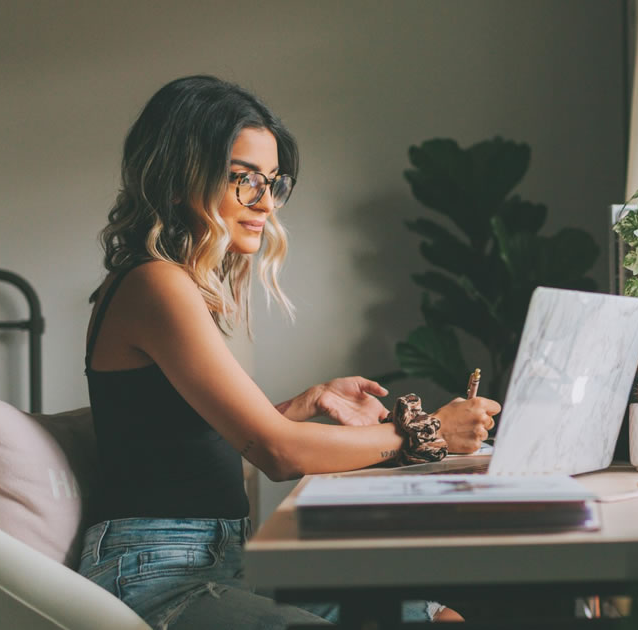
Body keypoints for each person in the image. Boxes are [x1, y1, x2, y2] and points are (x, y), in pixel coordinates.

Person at [77, 75, 500, 629]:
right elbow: (276, 455)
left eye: (272, 181)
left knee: (438, 619)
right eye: (244, 180)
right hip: (153, 573)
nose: (265, 202)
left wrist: (304, 404)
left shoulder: (171, 283)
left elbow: (189, 439)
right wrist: (432, 432)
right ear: (180, 178)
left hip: (220, 562)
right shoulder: (156, 284)